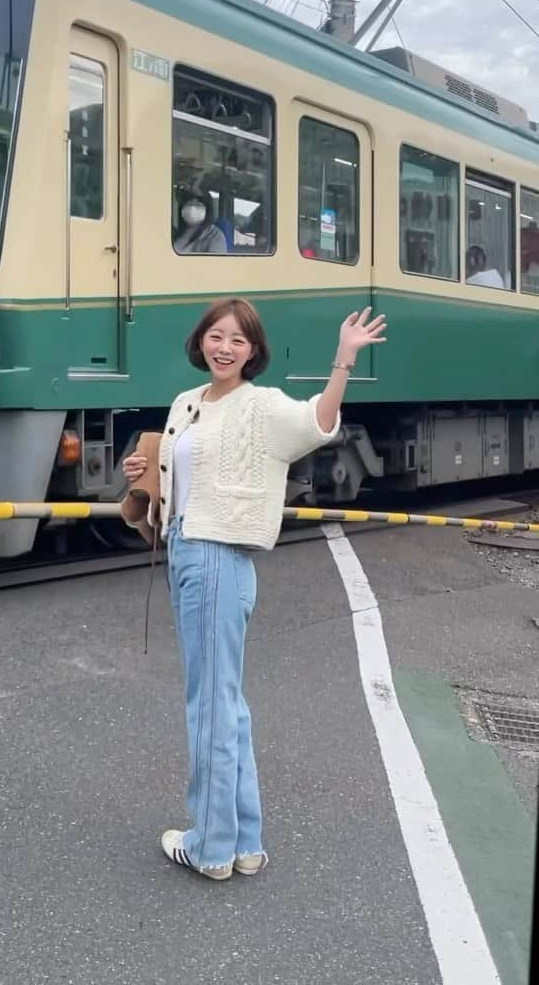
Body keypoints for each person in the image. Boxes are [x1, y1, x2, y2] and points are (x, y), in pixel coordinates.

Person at [122, 297, 386, 881]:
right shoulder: (185, 404)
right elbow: (178, 478)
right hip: (187, 549)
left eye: (238, 341)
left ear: (253, 351)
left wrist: (342, 360)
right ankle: (244, 841)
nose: (223, 347)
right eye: (216, 336)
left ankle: (210, 847)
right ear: (200, 341)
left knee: (210, 705)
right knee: (226, 704)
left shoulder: (261, 406)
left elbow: (319, 422)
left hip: (217, 556)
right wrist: (143, 475)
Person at [173, 189, 228, 254]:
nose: (192, 209)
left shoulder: (215, 235)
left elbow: (216, 263)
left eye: (198, 205)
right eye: (188, 204)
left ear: (207, 210)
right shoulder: (176, 233)